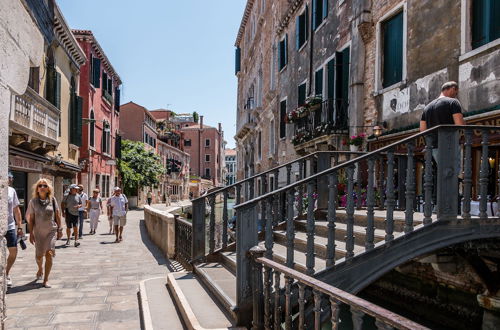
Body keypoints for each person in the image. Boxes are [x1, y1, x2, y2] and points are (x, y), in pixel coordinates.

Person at [26, 178, 63, 288]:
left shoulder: (52, 200)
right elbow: (31, 219)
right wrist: (31, 233)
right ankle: (40, 268)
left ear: (48, 189)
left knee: (49, 253)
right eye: (40, 186)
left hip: (51, 231)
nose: (42, 187)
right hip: (38, 232)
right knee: (39, 256)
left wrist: (60, 229)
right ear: (37, 189)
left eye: (44, 186)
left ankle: (46, 279)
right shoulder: (33, 202)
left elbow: (57, 215)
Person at [5, 172, 23, 287]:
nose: (10, 180)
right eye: (9, 178)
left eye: (11, 178)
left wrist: (20, 226)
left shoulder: (11, 191)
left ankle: (6, 273)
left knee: (13, 251)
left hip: (10, 225)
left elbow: (16, 210)